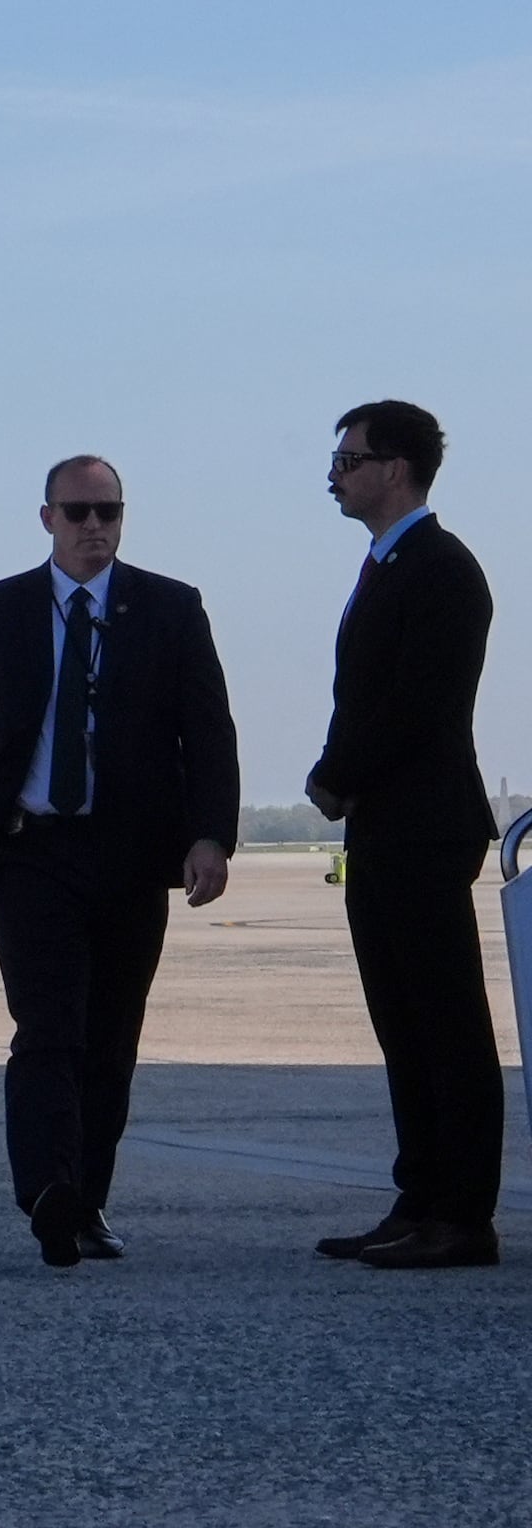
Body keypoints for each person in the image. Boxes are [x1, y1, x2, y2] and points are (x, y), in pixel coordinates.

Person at [0, 456, 239, 1268]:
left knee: (111, 1039)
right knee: (48, 1030)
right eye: (78, 513)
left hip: (133, 855)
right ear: (47, 519)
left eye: (108, 511)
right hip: (33, 853)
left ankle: (86, 1200)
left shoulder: (171, 609)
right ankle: (47, 1191)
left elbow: (208, 731)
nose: (94, 526)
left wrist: (211, 834)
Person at [308, 400, 500, 1270]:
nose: (336, 473)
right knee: (402, 1023)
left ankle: (462, 1215)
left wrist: (334, 775)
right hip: (386, 829)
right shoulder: (388, 564)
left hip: (422, 825)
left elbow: (414, 705)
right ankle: (419, 1196)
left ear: (396, 468)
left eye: (349, 459)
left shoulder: (441, 569)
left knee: (445, 1024)